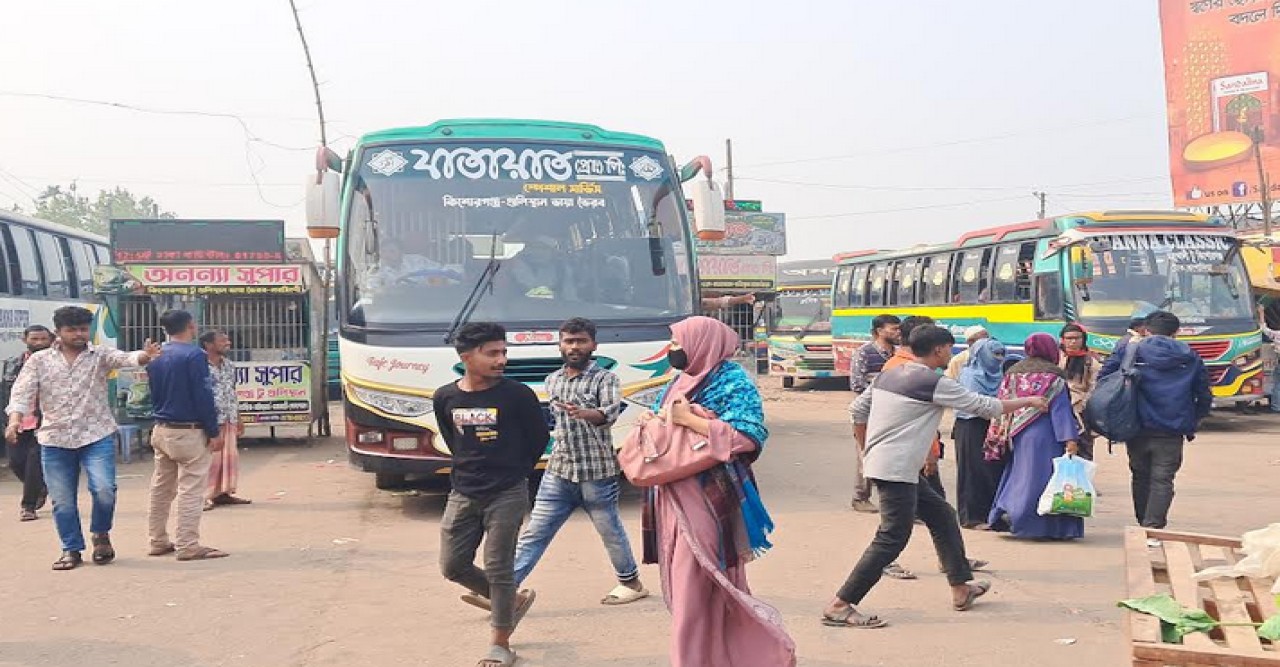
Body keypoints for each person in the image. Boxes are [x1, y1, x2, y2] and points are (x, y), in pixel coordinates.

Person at [824, 325, 1047, 628]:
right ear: (939, 350)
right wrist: (1030, 401)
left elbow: (857, 410)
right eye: (949, 349)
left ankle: (960, 587)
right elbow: (985, 406)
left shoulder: (890, 374)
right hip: (897, 469)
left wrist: (868, 449)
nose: (950, 354)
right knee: (891, 537)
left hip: (890, 465)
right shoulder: (932, 381)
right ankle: (841, 604)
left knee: (942, 515)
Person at [642, 316, 795, 667]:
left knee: (697, 583)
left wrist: (689, 420)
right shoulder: (680, 380)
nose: (673, 349)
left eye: (678, 342)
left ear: (702, 342)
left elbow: (748, 435)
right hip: (671, 495)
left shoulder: (732, 380)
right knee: (689, 588)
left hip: (709, 498)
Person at [4, 306, 161, 570]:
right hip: (55, 438)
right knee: (62, 499)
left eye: (83, 329)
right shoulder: (39, 361)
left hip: (95, 434)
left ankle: (101, 534)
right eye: (72, 330)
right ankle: (71, 549)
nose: (79, 334)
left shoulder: (99, 354)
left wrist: (146, 355)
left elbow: (126, 358)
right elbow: (22, 391)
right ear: (59, 332)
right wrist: (15, 420)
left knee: (104, 490)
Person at [503, 318, 647, 605]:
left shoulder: (606, 379)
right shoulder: (552, 380)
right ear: (560, 345)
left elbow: (608, 414)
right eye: (569, 341)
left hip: (597, 470)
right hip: (560, 469)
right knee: (534, 532)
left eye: (581, 341)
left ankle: (631, 583)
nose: (574, 347)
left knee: (610, 531)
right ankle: (503, 588)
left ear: (593, 345)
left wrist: (586, 413)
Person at [433, 322, 544, 667]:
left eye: (503, 352)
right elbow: (454, 441)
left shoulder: (518, 395)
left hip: (507, 491)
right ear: (466, 357)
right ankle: (509, 602)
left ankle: (500, 645)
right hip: (463, 490)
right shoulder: (445, 396)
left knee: (499, 568)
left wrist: (513, 471)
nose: (502, 360)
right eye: (492, 353)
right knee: (452, 566)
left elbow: (538, 439)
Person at [1099, 311, 1212, 536]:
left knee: (1140, 475)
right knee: (1163, 478)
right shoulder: (1191, 356)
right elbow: (1204, 393)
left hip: (1136, 425)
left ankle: (1143, 523)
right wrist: (1195, 418)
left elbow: (1104, 378)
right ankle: (1153, 528)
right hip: (1172, 428)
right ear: (1176, 332)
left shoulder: (1130, 350)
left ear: (1146, 330)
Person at [145, 310, 229, 562]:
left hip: (162, 428)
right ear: (191, 325)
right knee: (191, 490)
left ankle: (157, 540)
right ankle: (188, 544)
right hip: (189, 431)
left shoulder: (156, 355)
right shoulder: (194, 355)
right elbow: (203, 396)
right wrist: (213, 431)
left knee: (161, 488)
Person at [984, 333, 1084, 540]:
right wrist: (1070, 439)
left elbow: (1002, 403)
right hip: (1046, 433)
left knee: (1020, 476)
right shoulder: (1054, 376)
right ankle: (1041, 526)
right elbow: (1061, 411)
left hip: (1017, 433)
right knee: (1044, 480)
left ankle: (1009, 513)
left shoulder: (1012, 373)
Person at [849, 314, 901, 513]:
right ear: (879, 331)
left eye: (898, 329)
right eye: (893, 328)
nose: (897, 332)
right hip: (868, 411)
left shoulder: (897, 354)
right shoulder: (864, 352)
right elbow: (857, 383)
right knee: (866, 452)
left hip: (892, 411)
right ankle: (860, 497)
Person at [954, 337, 1007, 529]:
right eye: (995, 354)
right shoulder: (970, 375)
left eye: (1002, 354)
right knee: (972, 471)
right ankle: (971, 517)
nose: (999, 359)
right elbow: (973, 405)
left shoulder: (999, 374)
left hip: (993, 426)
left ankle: (992, 515)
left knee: (992, 470)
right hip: (970, 425)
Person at [2, 325, 53, 521]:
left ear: (51, 339)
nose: (39, 343)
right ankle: (40, 487)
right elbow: (7, 394)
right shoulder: (12, 364)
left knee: (34, 461)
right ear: (25, 340)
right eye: (34, 339)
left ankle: (28, 506)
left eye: (43, 339)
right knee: (16, 462)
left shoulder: (56, 363)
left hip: (45, 422)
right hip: (18, 421)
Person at [201, 330, 249, 511]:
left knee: (227, 458)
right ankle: (204, 496)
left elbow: (232, 391)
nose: (227, 343)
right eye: (222, 340)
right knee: (209, 459)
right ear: (208, 344)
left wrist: (239, 418)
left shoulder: (229, 365)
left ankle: (222, 493)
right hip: (210, 419)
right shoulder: (199, 366)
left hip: (229, 416)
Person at [1059, 323, 1100, 459]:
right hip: (1056, 410)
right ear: (1062, 340)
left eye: (1077, 338)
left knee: (1083, 453)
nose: (1073, 342)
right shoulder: (1055, 358)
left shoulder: (1091, 361)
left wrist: (1082, 405)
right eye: (1069, 338)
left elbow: (1094, 387)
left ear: (1083, 340)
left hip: (1080, 411)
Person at [505, 236, 577, 300]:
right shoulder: (511, 267)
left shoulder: (562, 270)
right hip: (519, 311)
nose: (537, 251)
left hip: (554, 311)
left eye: (542, 248)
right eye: (534, 247)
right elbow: (502, 298)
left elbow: (570, 297)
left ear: (552, 252)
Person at [1257, 305, 1280, 414]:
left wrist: (1261, 313)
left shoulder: (1277, 335)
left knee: (1277, 386)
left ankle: (1276, 408)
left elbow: (1263, 328)